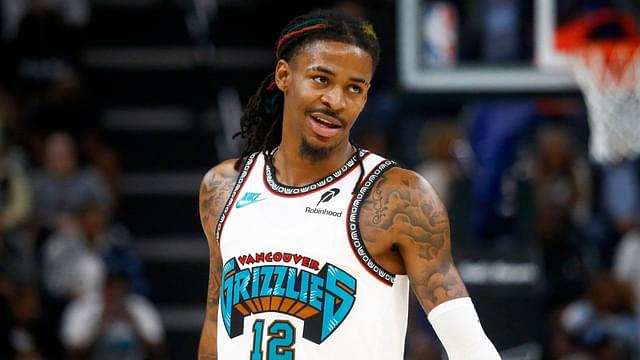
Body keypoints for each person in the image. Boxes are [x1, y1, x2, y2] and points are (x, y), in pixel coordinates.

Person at [198, 9, 500, 360]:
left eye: (354, 88)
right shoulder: (222, 188)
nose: (336, 101)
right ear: (284, 75)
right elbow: (214, 336)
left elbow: (469, 346)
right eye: (321, 79)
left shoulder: (397, 196)